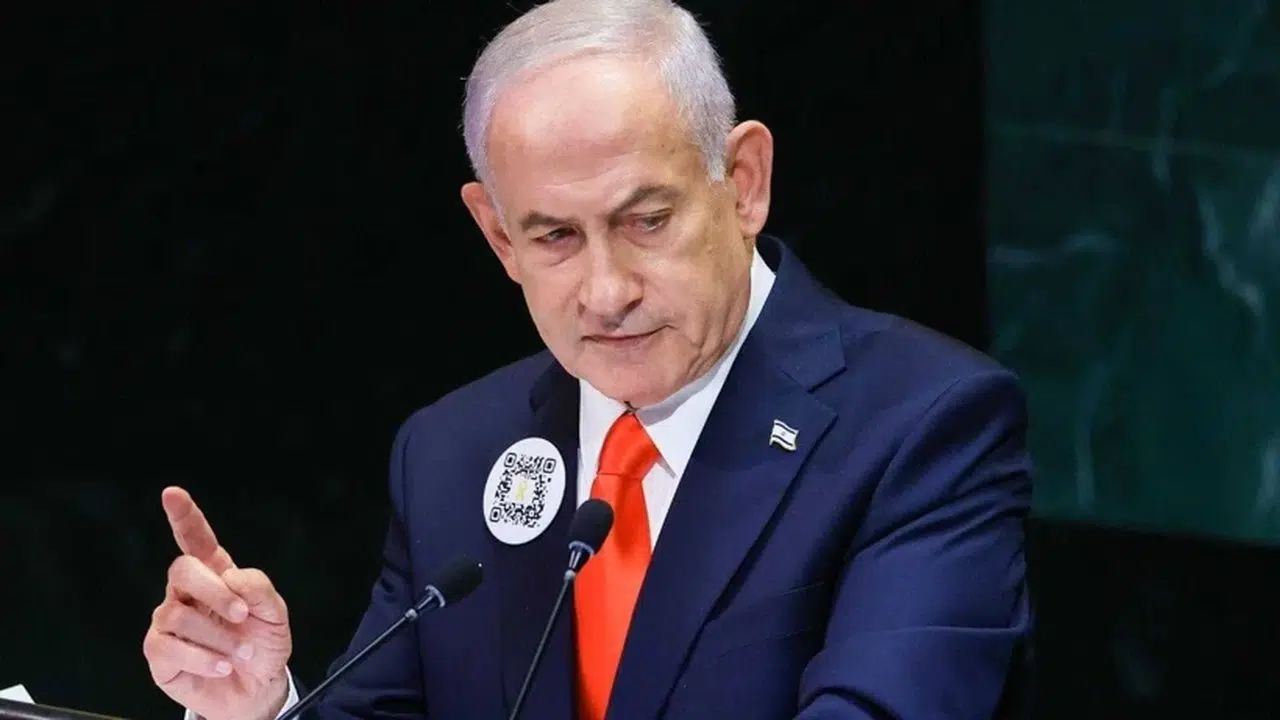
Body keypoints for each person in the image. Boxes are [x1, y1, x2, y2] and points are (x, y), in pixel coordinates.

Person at [142, 0, 1034, 718]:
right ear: (498, 236)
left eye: (647, 221)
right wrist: (257, 706)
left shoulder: (923, 427)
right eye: (555, 237)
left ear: (744, 183)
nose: (607, 292)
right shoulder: (453, 452)